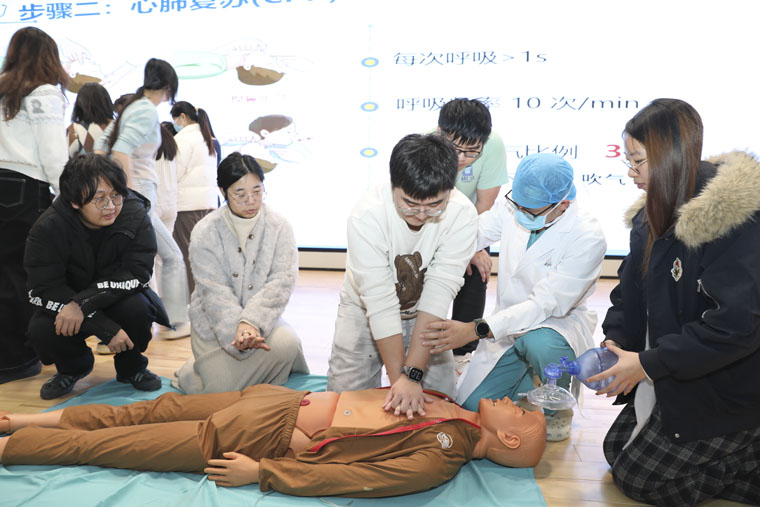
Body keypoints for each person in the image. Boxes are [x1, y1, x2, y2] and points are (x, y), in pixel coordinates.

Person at [588, 99, 760, 506]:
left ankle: (750, 451)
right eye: (628, 161)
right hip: (680, 370)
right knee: (616, 450)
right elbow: (628, 294)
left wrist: (648, 364)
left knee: (638, 481)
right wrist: (616, 342)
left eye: (638, 162)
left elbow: (735, 327)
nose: (631, 173)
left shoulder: (736, 223)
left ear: (669, 156)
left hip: (726, 384)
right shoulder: (650, 216)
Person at [0, 384, 547, 498]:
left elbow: (356, 479)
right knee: (147, 410)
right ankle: (18, 422)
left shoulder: (444, 453)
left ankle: (8, 448)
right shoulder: (454, 408)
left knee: (117, 445)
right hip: (275, 402)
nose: (513, 400)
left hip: (265, 433)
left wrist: (262, 472)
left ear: (510, 436)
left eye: (519, 411)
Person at [422, 153, 606, 441]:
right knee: (472, 409)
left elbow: (543, 305)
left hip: (554, 324)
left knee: (540, 343)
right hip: (506, 324)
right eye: (517, 204)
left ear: (563, 204)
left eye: (529, 210)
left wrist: (475, 329)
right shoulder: (515, 206)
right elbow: (475, 232)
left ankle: (557, 405)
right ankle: (525, 380)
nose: (519, 212)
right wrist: (450, 248)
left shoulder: (587, 237)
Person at [326, 133, 478, 418]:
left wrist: (413, 374)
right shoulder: (367, 215)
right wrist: (403, 381)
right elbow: (379, 300)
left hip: (425, 314)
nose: (420, 214)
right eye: (409, 203)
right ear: (392, 185)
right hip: (364, 309)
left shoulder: (462, 214)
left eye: (434, 205)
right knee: (344, 405)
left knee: (442, 402)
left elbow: (439, 292)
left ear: (450, 189)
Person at [23, 154, 170, 399]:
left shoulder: (134, 215)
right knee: (42, 329)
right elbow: (43, 287)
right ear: (74, 201)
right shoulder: (48, 228)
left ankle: (132, 367)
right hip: (67, 300)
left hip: (117, 296)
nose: (111, 206)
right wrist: (98, 322)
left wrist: (83, 304)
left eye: (116, 195)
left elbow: (137, 273)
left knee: (138, 309)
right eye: (99, 199)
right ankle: (73, 368)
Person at [174, 152, 308, 394]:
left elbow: (281, 281)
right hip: (216, 326)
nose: (251, 201)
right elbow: (213, 291)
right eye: (240, 194)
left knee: (287, 343)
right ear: (223, 191)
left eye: (257, 191)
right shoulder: (205, 231)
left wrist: (251, 322)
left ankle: (234, 377)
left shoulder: (279, 226)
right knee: (219, 391)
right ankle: (193, 374)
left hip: (261, 321)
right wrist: (237, 329)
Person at [94, 58, 191, 340]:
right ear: (169, 85)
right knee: (171, 256)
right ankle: (175, 322)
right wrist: (129, 195)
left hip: (131, 194)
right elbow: (120, 150)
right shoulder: (146, 110)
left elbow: (101, 146)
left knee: (130, 262)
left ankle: (119, 327)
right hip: (139, 193)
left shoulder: (131, 107)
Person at [0, 27, 68, 385]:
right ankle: (18, 359)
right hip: (26, 189)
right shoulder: (44, 93)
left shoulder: (3, 89)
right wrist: (72, 196)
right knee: (23, 277)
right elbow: (54, 155)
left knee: (4, 275)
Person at [436, 98, 508, 356]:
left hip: (473, 222)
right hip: (432, 221)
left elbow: (484, 207)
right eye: (454, 149)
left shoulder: (493, 145)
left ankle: (463, 353)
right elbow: (424, 209)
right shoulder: (425, 146)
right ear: (439, 133)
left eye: (471, 152)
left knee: (478, 270)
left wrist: (472, 248)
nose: (461, 159)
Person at [170, 100, 219, 294]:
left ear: (182, 117)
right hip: (208, 204)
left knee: (188, 255)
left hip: (187, 206)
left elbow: (175, 173)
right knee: (206, 255)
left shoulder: (182, 139)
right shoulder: (207, 137)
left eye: (174, 119)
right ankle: (209, 297)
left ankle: (194, 299)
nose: (174, 123)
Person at [66, 82, 113, 158]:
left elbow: (64, 159)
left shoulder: (74, 130)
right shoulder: (118, 125)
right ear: (107, 102)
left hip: (83, 165)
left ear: (80, 103)